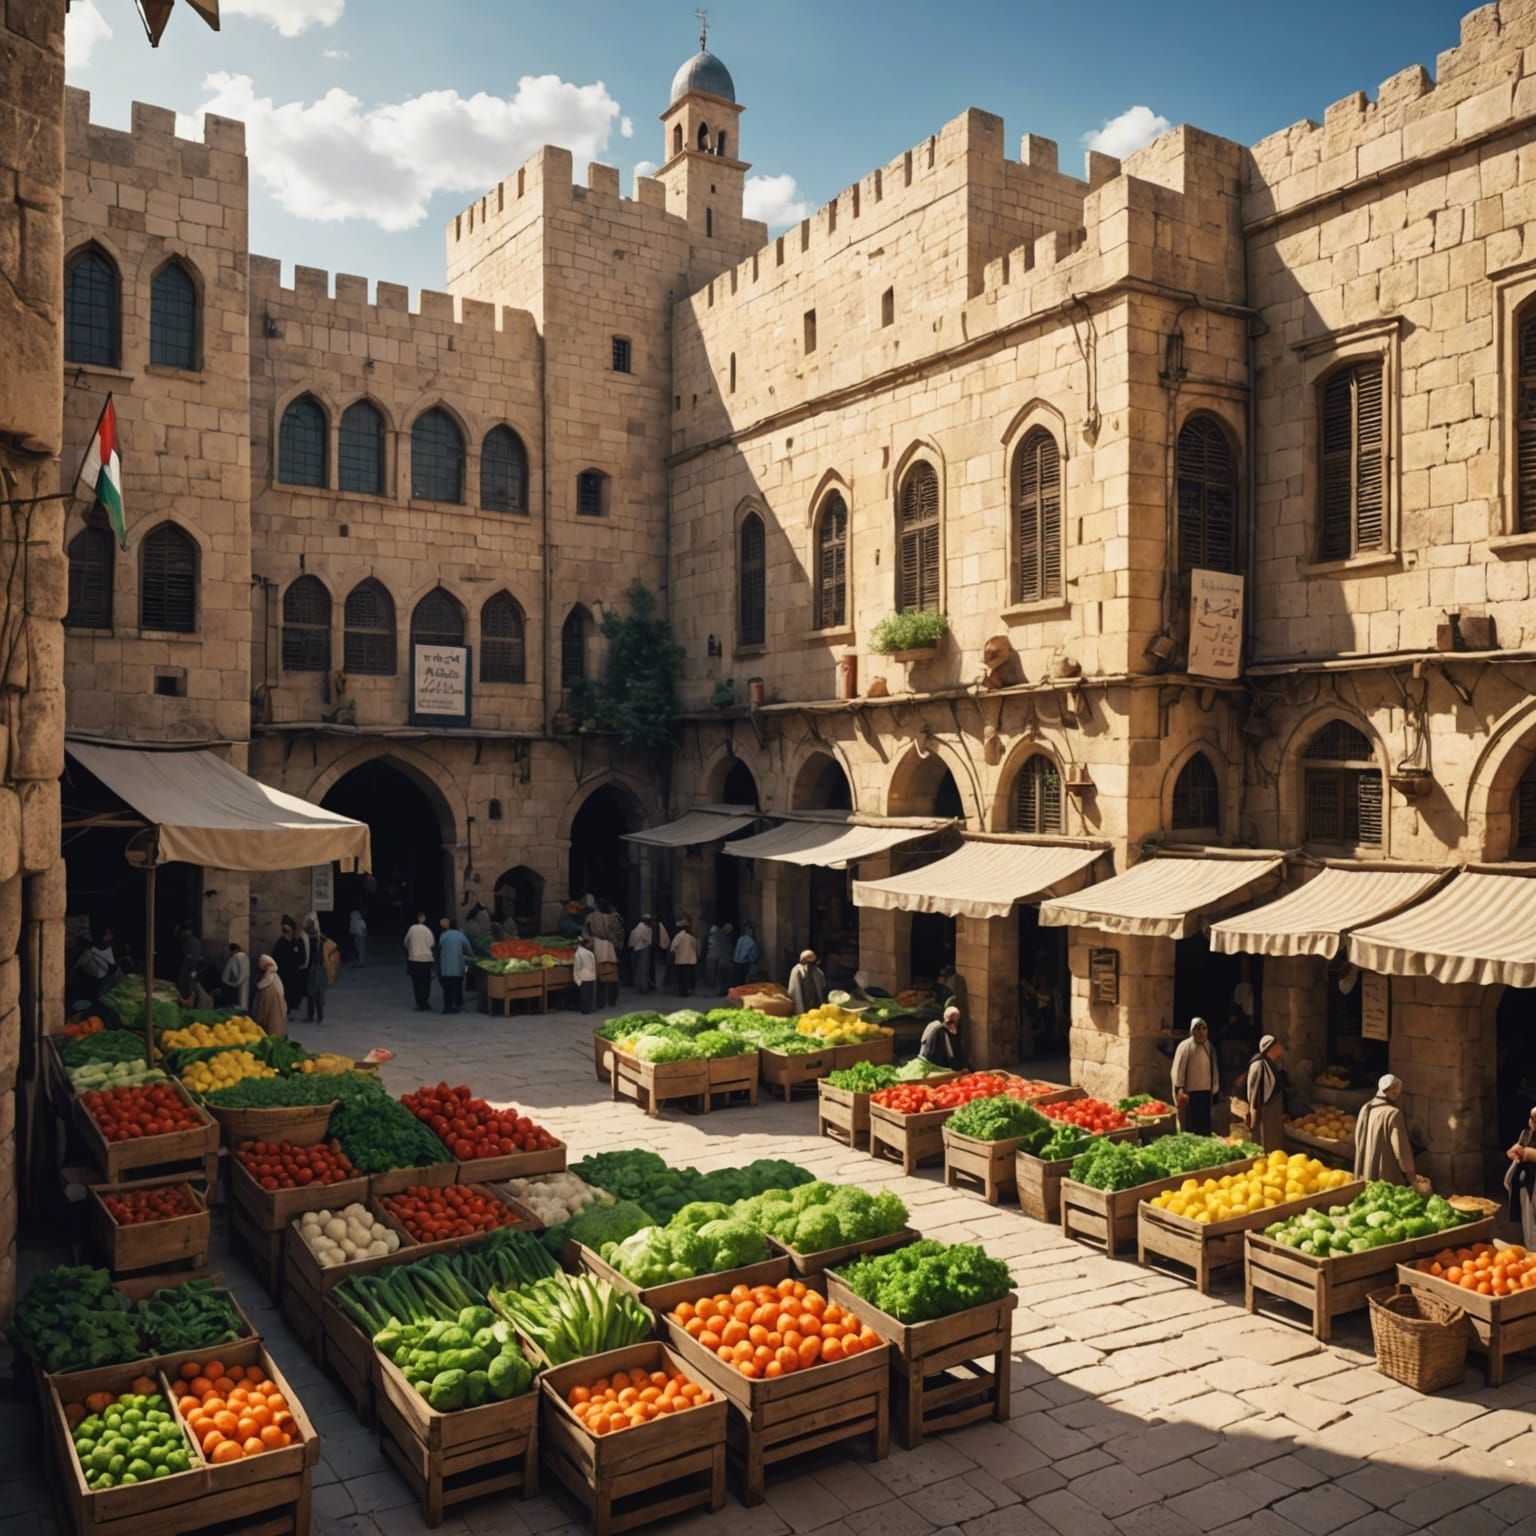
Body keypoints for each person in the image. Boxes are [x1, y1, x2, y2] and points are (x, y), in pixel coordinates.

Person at [1355, 1074, 1421, 1186]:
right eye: (1397, 1089)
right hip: (1385, 1173)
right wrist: (1412, 1177)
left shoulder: (1365, 1108)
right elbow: (1400, 1149)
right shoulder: (1393, 1113)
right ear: (1393, 1091)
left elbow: (1358, 1138)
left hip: (1366, 1171)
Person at [1171, 1017, 1219, 1136]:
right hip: (1189, 1092)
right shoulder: (1185, 1046)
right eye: (1198, 1029)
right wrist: (1180, 1088)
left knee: (1204, 1122)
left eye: (1204, 1028)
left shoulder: (1209, 1046)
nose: (1201, 1032)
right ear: (1192, 1031)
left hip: (1206, 1090)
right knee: (1191, 1123)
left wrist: (1215, 1087)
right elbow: (1178, 1068)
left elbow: (1214, 1067)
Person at [1244, 1034, 1287, 1152]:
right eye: (1278, 1044)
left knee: (1274, 1141)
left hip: (1272, 1109)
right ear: (1271, 1047)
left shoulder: (1270, 1063)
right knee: (1266, 1142)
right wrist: (1253, 1113)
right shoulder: (1259, 1064)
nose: (1281, 1046)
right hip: (1264, 1109)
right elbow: (1254, 1090)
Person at [1507, 1104, 1536, 1249]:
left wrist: (1530, 1154)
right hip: (1528, 1184)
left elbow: (1529, 1153)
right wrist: (1515, 1151)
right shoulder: (1527, 1133)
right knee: (1530, 1227)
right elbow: (1519, 1147)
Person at [71, 927, 119, 1006]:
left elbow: (112, 969)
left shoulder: (113, 949)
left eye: (109, 933)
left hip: (100, 987)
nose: (106, 935)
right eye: (106, 932)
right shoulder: (89, 950)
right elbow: (77, 965)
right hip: (86, 987)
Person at [435, 917, 473, 1014]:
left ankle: (447, 1007)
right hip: (457, 966)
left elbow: (439, 947)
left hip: (446, 968)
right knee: (458, 987)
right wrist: (471, 956)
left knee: (447, 988)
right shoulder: (460, 935)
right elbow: (468, 948)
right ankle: (458, 1004)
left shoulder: (443, 935)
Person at [271, 916, 307, 1019]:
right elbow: (276, 957)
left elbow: (301, 958)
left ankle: (290, 1010)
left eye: (288, 930)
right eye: (284, 930)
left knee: (293, 994)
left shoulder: (296, 942)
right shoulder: (280, 943)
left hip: (294, 974)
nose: (287, 933)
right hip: (282, 973)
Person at [404, 911, 435, 1012]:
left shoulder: (412, 929)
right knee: (426, 982)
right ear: (424, 919)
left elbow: (406, 942)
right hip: (426, 959)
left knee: (416, 982)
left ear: (417, 918)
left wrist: (411, 950)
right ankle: (425, 1002)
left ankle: (419, 1003)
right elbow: (432, 943)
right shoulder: (427, 930)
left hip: (414, 959)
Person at [251, 954, 287, 1037]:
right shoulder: (274, 976)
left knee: (272, 1023)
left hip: (272, 1007)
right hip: (276, 1006)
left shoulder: (269, 976)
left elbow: (261, 986)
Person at [919, 1006, 963, 1070]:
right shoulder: (942, 1031)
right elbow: (950, 1054)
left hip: (926, 1060)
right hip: (935, 1065)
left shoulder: (934, 1025)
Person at [302, 914, 328, 1024]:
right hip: (319, 967)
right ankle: (319, 1015)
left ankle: (312, 1015)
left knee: (311, 992)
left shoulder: (310, 938)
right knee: (317, 992)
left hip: (313, 968)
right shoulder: (320, 938)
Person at [787, 949, 828, 1013]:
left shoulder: (818, 972)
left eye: (811, 962)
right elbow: (794, 990)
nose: (808, 965)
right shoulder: (796, 971)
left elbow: (823, 986)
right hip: (803, 1000)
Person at [174, 920, 202, 1005]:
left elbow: (192, 968)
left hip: (189, 988)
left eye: (177, 931)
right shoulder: (187, 943)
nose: (175, 935)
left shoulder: (192, 943)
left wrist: (191, 994)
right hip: (186, 983)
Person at [670, 921, 699, 997]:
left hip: (681, 961)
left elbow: (673, 947)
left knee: (681, 978)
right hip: (691, 961)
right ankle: (689, 990)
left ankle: (682, 992)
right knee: (689, 977)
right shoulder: (692, 937)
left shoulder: (679, 936)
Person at [592, 929, 619, 1006]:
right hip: (610, 959)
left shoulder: (595, 937)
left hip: (600, 960)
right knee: (612, 982)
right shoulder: (610, 936)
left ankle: (601, 1003)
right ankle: (612, 1002)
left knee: (601, 983)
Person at [220, 941, 250, 1011]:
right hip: (237, 984)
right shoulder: (241, 956)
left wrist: (236, 982)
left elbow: (234, 971)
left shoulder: (237, 956)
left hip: (230, 985)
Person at [628, 915, 654, 993]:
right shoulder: (647, 929)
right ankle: (644, 987)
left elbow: (632, 939)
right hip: (644, 949)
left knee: (637, 969)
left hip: (636, 949)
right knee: (644, 968)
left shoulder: (636, 928)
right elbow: (649, 941)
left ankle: (638, 986)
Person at [574, 935, 598, 1014]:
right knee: (589, 993)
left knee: (585, 994)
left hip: (583, 976)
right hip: (590, 976)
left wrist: (577, 979)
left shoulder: (578, 953)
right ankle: (589, 1008)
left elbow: (577, 967)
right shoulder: (589, 953)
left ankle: (585, 1009)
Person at [706, 922, 733, 993]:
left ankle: (720, 989)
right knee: (721, 975)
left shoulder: (721, 936)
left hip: (721, 959)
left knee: (721, 975)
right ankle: (720, 989)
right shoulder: (721, 937)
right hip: (721, 959)